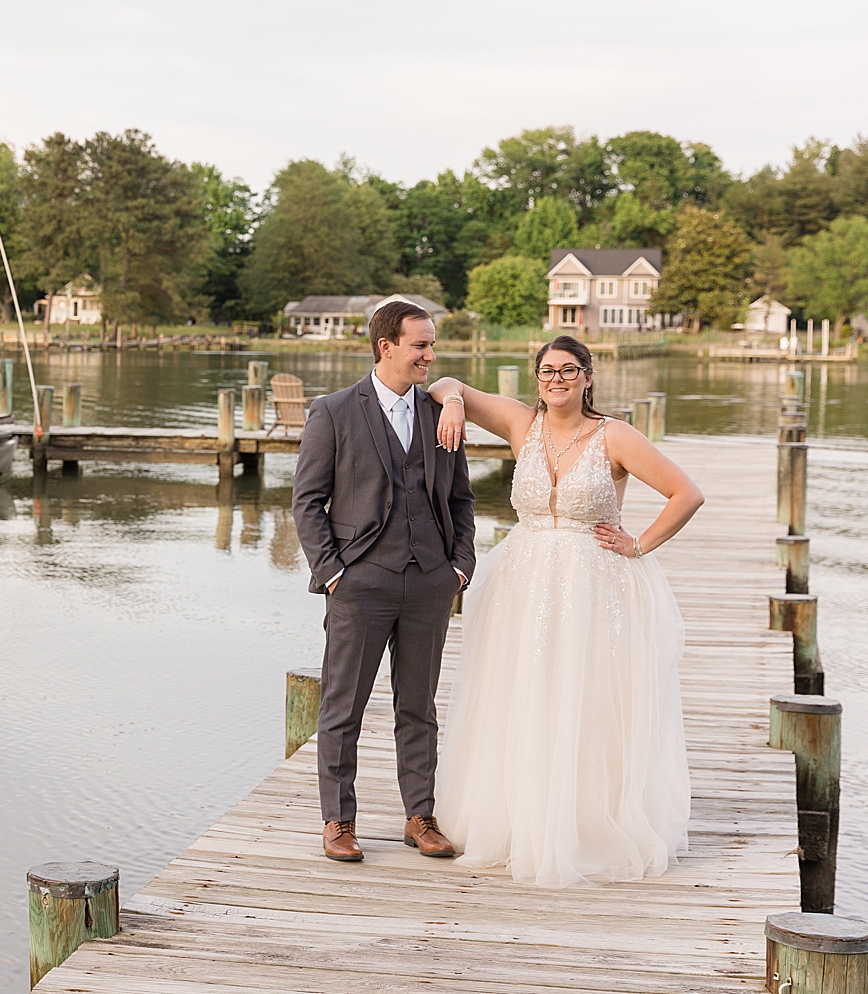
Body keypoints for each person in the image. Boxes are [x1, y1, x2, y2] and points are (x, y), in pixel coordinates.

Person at [428, 334, 704, 887]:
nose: (558, 379)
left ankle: (580, 825)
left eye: (569, 370)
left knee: (584, 696)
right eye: (548, 370)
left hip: (593, 584)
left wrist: (639, 543)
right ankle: (517, 820)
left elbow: (686, 493)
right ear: (537, 378)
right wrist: (456, 402)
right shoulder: (518, 424)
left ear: (588, 376)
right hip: (524, 582)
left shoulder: (615, 436)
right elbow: (442, 384)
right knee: (524, 691)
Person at [292, 301, 476, 862]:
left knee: (418, 708)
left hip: (429, 584)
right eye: (420, 345)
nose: (430, 355)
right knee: (343, 707)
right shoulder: (334, 411)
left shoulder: (442, 413)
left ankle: (419, 816)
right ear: (386, 347)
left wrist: (459, 569)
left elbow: (462, 500)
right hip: (359, 583)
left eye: (432, 345)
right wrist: (332, 575)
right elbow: (307, 502)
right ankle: (338, 821)